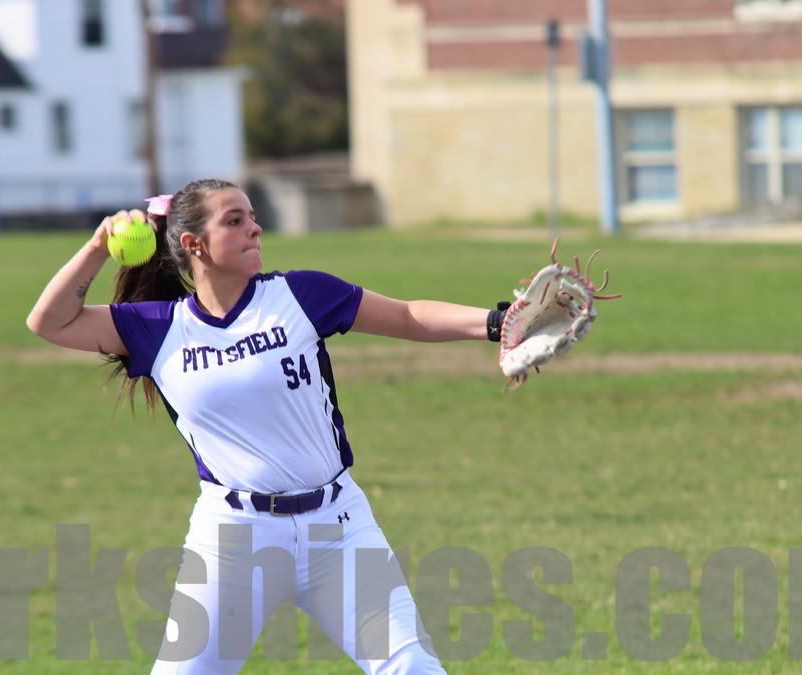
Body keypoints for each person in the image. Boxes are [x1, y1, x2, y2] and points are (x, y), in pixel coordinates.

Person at [27, 179, 505, 673]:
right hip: (234, 539)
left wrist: (497, 324)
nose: (254, 228)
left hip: (339, 530)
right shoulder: (157, 327)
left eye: (252, 217)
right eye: (234, 221)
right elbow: (50, 322)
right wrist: (97, 248)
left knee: (412, 667)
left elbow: (407, 316)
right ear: (194, 244)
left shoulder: (299, 294)